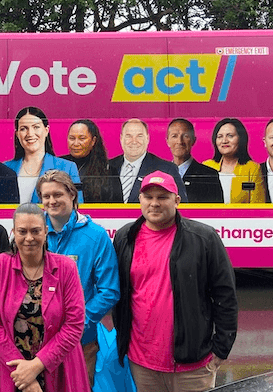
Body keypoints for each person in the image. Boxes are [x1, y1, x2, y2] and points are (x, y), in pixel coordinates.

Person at [113, 171, 237, 392]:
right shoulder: (125, 237)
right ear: (139, 199)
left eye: (162, 197)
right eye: (148, 197)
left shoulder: (203, 238)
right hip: (142, 365)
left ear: (177, 200)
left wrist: (221, 350)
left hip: (193, 367)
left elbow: (225, 296)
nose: (154, 203)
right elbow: (119, 295)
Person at [0, 203, 90, 392]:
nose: (29, 238)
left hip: (58, 367)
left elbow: (74, 324)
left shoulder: (66, 268)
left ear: (46, 231)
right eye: (22, 231)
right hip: (10, 370)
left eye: (36, 231)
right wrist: (23, 374)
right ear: (13, 231)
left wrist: (37, 365)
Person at [36, 170, 120, 388]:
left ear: (72, 195)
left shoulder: (96, 235)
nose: (52, 201)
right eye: (46, 196)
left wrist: (78, 323)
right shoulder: (32, 233)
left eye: (58, 195)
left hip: (81, 342)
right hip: (36, 342)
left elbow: (109, 290)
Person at [4, 106, 83, 204]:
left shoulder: (67, 167)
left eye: (36, 127)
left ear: (46, 130)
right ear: (17, 134)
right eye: (24, 129)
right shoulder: (5, 168)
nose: (30, 133)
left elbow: (78, 208)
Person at [109, 118, 187, 203]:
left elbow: (182, 205)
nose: (134, 141)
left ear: (147, 138)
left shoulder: (167, 169)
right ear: (121, 138)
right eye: (128, 136)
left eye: (139, 136)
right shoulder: (107, 166)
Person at [202, 118, 265, 204]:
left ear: (241, 139)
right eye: (220, 136)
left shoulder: (253, 169)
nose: (224, 141)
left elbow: (258, 208)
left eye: (230, 136)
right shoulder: (206, 166)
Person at [165, 119, 223, 203]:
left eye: (185, 136)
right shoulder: (161, 174)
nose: (180, 141)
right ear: (167, 141)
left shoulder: (210, 175)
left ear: (193, 140)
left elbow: (215, 213)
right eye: (174, 136)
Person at [60, 119, 115, 203]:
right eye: (72, 138)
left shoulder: (107, 170)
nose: (76, 143)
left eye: (82, 138)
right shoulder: (58, 164)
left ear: (93, 141)